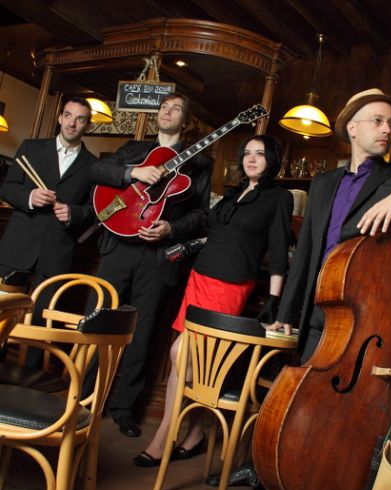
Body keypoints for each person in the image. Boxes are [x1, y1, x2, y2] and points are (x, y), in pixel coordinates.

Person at [270, 88, 391, 362]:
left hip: (366, 318)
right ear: (352, 128)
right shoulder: (323, 183)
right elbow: (305, 252)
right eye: (377, 121)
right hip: (316, 315)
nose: (387, 129)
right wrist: (285, 313)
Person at [132, 134, 293, 467]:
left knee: (183, 354)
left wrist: (274, 299)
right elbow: (206, 226)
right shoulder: (233, 193)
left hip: (230, 285)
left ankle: (165, 435)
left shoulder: (279, 197)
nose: (251, 159)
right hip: (199, 278)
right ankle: (195, 433)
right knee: (190, 362)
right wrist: (170, 226)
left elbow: (279, 251)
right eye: (247, 153)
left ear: (272, 160)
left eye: (260, 154)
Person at [90, 92, 213, 438]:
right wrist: (133, 172)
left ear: (186, 121)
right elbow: (95, 170)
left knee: (141, 334)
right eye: (164, 107)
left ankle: (123, 408)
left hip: (157, 256)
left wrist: (171, 228)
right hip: (118, 247)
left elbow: (202, 215)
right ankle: (85, 396)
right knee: (98, 319)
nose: (167, 112)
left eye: (176, 108)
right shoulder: (134, 149)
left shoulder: (200, 163)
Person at [0, 96, 96, 298]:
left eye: (80, 119)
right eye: (68, 115)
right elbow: (7, 188)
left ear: (88, 126)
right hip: (17, 246)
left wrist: (73, 213)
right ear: (60, 118)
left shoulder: (94, 165)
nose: (71, 123)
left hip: (56, 255)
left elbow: (93, 209)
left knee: (41, 314)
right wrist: (30, 196)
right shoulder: (31, 148)